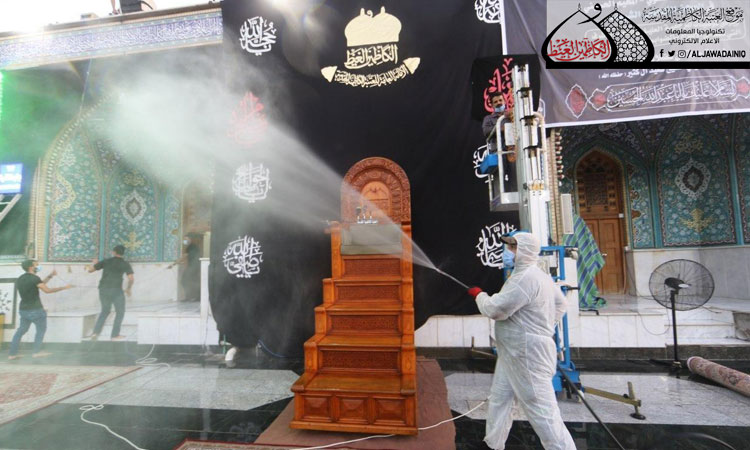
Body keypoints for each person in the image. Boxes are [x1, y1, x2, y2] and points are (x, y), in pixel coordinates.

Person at [467, 232, 575, 450]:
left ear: (525, 251)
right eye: (509, 247)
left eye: (513, 248)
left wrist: (479, 295)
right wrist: (543, 326)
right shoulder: (537, 275)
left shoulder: (525, 279)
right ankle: (493, 443)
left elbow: (496, 309)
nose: (508, 252)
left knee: (542, 411)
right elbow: (561, 304)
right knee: (500, 399)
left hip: (527, 355)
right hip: (513, 352)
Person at [8, 260, 73, 360]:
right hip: (36, 310)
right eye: (36, 265)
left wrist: (50, 276)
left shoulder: (20, 279)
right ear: (31, 267)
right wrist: (64, 287)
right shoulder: (35, 278)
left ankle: (12, 354)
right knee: (40, 330)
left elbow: (39, 284)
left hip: (23, 310)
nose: (38, 266)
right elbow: (47, 290)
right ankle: (36, 352)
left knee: (20, 331)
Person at [86, 245, 134, 341]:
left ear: (114, 252)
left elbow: (90, 270)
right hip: (116, 290)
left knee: (105, 311)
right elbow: (131, 279)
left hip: (103, 289)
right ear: (123, 253)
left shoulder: (106, 261)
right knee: (120, 312)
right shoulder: (125, 264)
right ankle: (114, 335)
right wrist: (128, 289)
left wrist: (94, 263)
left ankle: (95, 333)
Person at [168, 233, 201, 301]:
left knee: (184, 281)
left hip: (193, 267)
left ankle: (191, 297)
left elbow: (184, 257)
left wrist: (173, 264)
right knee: (193, 281)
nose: (184, 240)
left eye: (186, 239)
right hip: (195, 267)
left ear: (190, 239)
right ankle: (195, 297)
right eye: (184, 239)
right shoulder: (193, 246)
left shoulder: (191, 247)